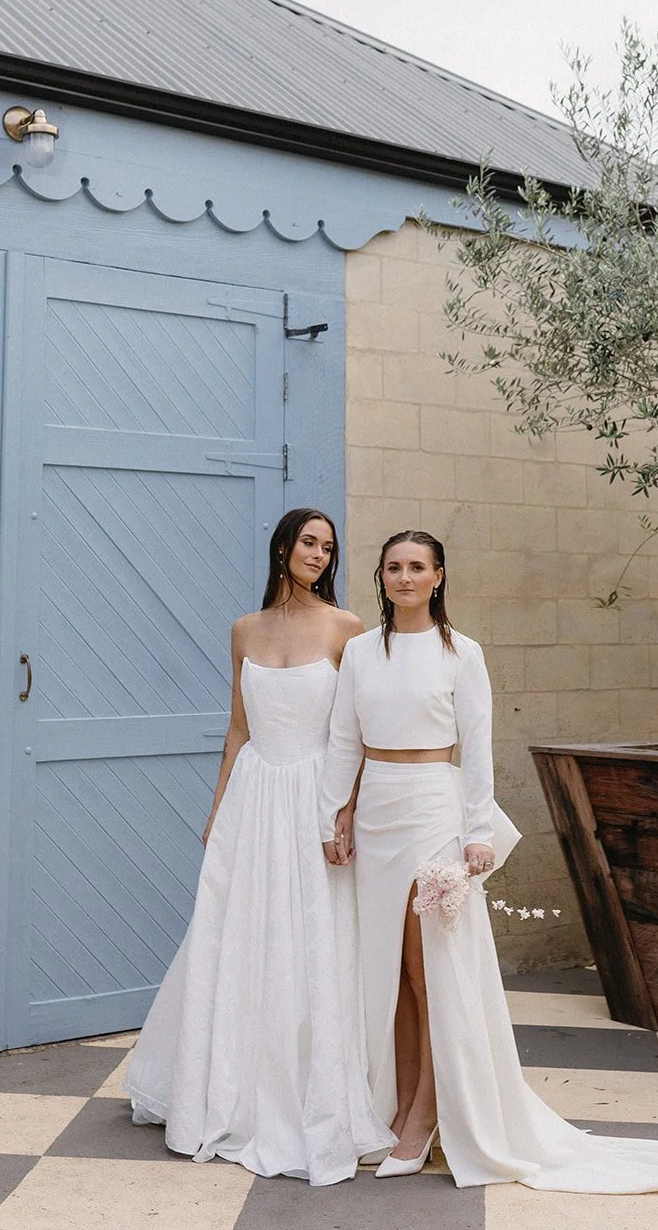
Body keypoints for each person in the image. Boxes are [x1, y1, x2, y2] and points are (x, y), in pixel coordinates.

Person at [320, 529, 658, 1195]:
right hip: (377, 813)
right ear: (380, 577)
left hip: (432, 812)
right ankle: (399, 1103)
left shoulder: (459, 653)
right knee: (386, 974)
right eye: (393, 567)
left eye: (416, 567)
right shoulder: (359, 653)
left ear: (438, 576)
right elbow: (341, 740)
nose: (403, 578)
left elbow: (477, 748)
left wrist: (475, 833)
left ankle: (427, 1115)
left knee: (428, 972)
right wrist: (335, 811)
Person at [124, 508, 394, 1185]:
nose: (318, 555)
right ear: (281, 548)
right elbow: (237, 728)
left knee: (311, 935)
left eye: (328, 548)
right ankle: (227, 1088)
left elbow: (355, 733)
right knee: (238, 932)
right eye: (308, 542)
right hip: (253, 793)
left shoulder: (346, 627)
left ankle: (312, 1091)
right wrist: (217, 811)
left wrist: (345, 810)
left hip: (314, 793)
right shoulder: (243, 629)